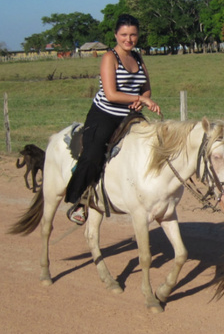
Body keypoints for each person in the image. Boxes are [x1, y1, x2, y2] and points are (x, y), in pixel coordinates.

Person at [65, 14, 161, 224]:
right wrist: (140, 99)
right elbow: (111, 94)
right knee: (94, 153)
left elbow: (146, 89)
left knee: (153, 146)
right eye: (124, 34)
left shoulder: (138, 58)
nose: (129, 39)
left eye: (133, 35)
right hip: (105, 114)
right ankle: (79, 200)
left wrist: (143, 99)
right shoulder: (110, 58)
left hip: (130, 115)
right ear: (116, 35)